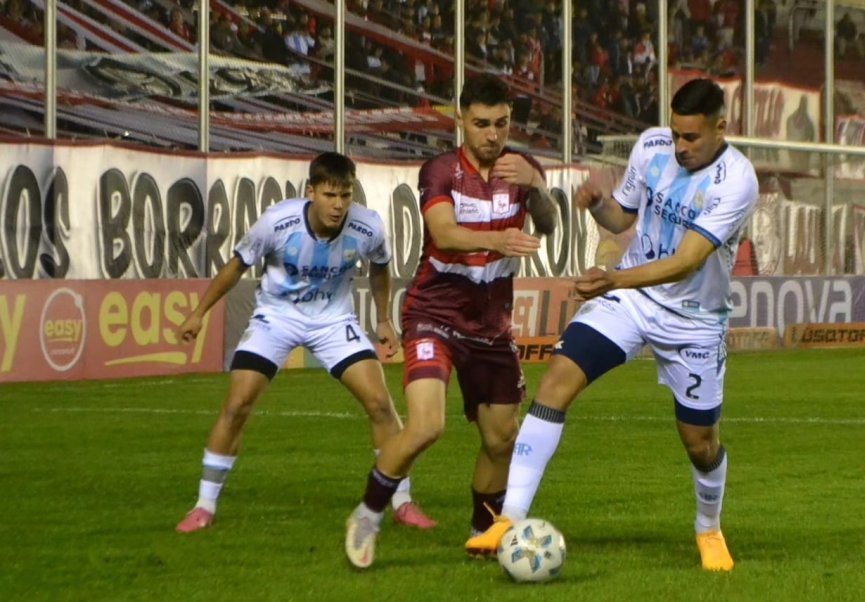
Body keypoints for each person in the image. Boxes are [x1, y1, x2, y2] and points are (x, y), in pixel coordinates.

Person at [465, 78, 759, 572]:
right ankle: (509, 519)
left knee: (699, 442)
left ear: (720, 128)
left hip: (693, 319)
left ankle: (708, 528)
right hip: (632, 300)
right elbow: (623, 218)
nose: (680, 146)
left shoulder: (737, 180)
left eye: (692, 138)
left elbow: (687, 261)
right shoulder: (652, 146)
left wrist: (612, 277)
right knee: (557, 378)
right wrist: (597, 204)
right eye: (676, 133)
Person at [344, 73, 557, 569]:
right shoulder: (440, 170)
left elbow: (546, 222)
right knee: (425, 426)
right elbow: (443, 232)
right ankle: (368, 515)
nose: (492, 134)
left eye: (501, 124)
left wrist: (540, 189)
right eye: (481, 124)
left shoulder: (523, 168)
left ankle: (482, 533)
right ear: (461, 119)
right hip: (433, 315)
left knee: (501, 437)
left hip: (492, 326)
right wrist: (499, 240)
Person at [174, 152, 435, 534]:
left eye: (346, 195)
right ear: (311, 191)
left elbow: (380, 269)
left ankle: (402, 501)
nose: (339, 205)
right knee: (237, 404)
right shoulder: (277, 222)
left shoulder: (368, 227)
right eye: (330, 195)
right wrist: (199, 312)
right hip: (276, 318)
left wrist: (382, 319)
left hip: (334, 322)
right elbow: (236, 266)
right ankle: (204, 505)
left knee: (380, 403)